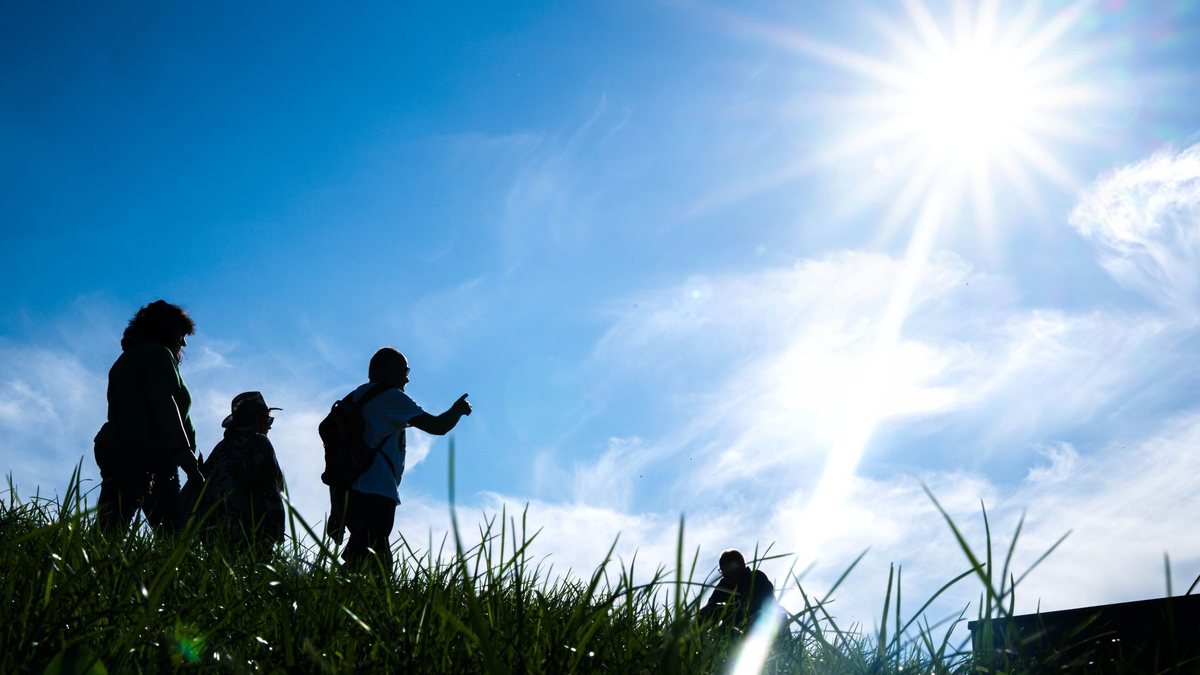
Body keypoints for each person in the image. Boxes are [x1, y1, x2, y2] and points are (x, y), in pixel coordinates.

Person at [338, 347, 471, 570]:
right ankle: (334, 598)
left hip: (352, 491)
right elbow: (437, 426)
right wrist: (457, 410)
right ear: (386, 370)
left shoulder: (355, 398)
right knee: (378, 567)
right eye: (404, 370)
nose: (407, 378)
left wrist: (336, 508)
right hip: (377, 491)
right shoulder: (391, 397)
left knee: (362, 557)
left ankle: (333, 597)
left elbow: (337, 452)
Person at [93, 300, 203, 534]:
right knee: (173, 536)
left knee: (109, 528)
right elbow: (163, 402)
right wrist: (184, 452)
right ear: (166, 330)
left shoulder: (125, 361)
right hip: (151, 456)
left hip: (122, 450)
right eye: (181, 335)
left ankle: (88, 567)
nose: (183, 342)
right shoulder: (158, 354)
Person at [185, 392, 286, 553]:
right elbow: (270, 487)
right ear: (256, 420)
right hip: (251, 531)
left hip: (213, 533)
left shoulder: (219, 449)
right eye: (268, 419)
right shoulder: (259, 442)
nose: (270, 425)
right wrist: (278, 527)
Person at [699, 549, 777, 628]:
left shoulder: (757, 577)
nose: (725, 574)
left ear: (741, 565)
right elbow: (709, 611)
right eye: (722, 570)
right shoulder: (724, 586)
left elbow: (755, 610)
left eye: (728, 567)